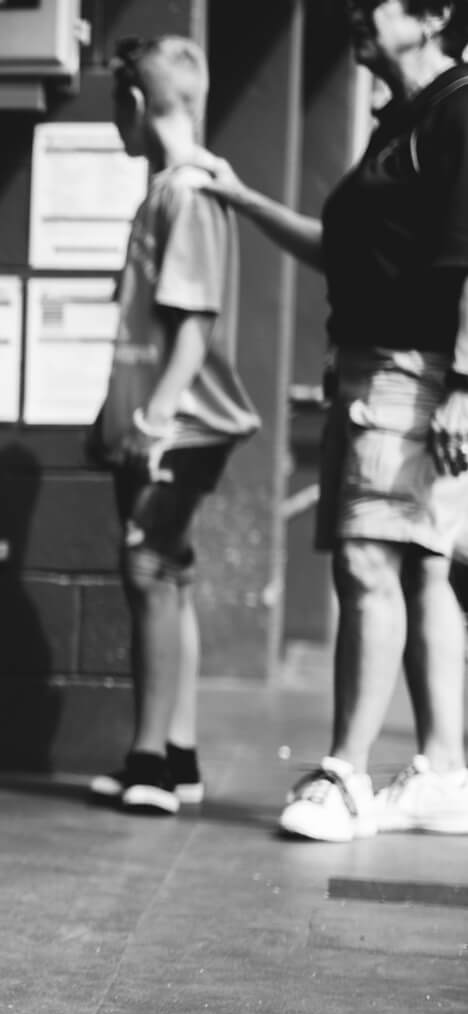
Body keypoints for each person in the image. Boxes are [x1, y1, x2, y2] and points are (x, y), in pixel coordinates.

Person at [195, 0, 468, 839]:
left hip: (412, 371)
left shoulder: (459, 110)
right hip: (378, 369)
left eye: (373, 3)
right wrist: (241, 200)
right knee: (418, 567)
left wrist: (464, 382)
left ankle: (345, 774)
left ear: (430, 14)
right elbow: (339, 248)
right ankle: (444, 772)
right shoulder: (405, 121)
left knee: (365, 561)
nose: (355, 13)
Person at [80, 35, 258, 816]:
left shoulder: (184, 193)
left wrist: (151, 422)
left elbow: (192, 328)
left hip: (181, 427)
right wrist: (113, 413)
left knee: (147, 573)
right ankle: (175, 755)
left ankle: (149, 765)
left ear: (138, 104)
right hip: (167, 421)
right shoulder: (171, 191)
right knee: (168, 575)